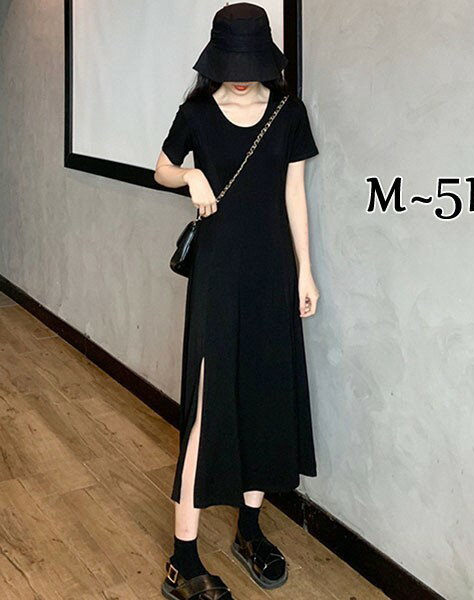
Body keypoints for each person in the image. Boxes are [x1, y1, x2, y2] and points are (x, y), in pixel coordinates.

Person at [154, 3, 320, 598]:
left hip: (273, 272)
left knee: (262, 396)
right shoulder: (197, 113)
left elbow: (294, 193)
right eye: (233, 64)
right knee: (207, 406)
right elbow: (162, 169)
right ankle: (182, 559)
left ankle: (249, 530)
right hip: (219, 275)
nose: (242, 76)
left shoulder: (287, 112)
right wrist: (190, 176)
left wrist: (305, 271)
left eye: (251, 64)